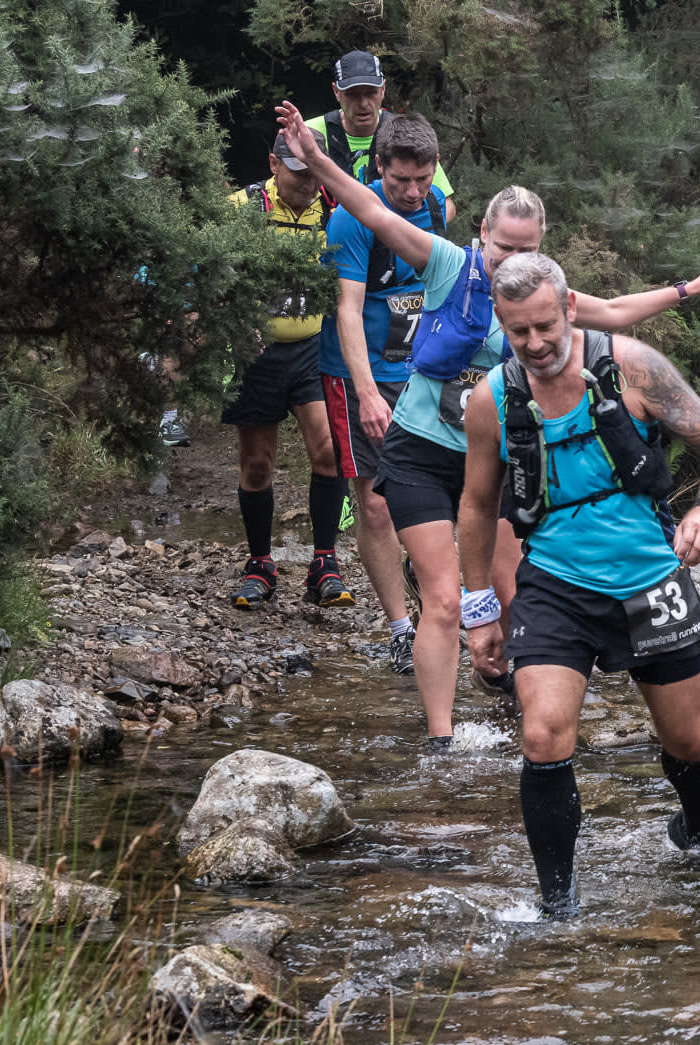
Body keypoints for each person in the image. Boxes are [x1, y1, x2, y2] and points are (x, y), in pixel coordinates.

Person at [272, 101, 700, 748]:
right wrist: (320, 158)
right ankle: (442, 741)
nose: (510, 261)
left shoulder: (544, 299)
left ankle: (530, 708)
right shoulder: (447, 264)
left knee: (511, 592)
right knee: (442, 598)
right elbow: (375, 212)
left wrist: (688, 288)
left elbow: (613, 311)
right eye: (502, 247)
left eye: (526, 250)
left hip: (492, 466)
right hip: (419, 451)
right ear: (482, 235)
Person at [457, 254, 700, 914]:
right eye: (517, 332)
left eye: (544, 328)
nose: (533, 344)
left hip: (649, 577)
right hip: (555, 587)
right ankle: (557, 901)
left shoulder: (633, 367)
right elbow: (477, 505)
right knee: (543, 734)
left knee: (691, 742)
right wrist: (479, 609)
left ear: (569, 307)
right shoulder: (491, 400)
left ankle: (696, 832)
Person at [318, 111, 449, 674]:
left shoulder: (438, 208)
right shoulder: (351, 221)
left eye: (422, 180)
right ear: (379, 169)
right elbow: (347, 309)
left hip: (420, 371)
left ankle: (429, 584)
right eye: (400, 182)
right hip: (358, 373)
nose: (413, 193)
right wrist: (368, 394)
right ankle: (399, 628)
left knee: (434, 486)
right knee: (372, 501)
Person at [224, 127, 349, 609]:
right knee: (257, 465)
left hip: (312, 348)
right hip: (255, 351)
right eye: (296, 173)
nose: (304, 183)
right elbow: (211, 269)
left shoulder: (332, 211)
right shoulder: (243, 208)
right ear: (274, 166)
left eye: (311, 172)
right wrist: (236, 320)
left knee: (329, 451)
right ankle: (260, 563)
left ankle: (324, 562)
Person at [305, 51, 456, 224]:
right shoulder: (310, 134)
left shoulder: (404, 133)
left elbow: (447, 205)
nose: (363, 104)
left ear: (383, 89)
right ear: (336, 92)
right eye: (352, 94)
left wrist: (409, 237)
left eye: (370, 93)